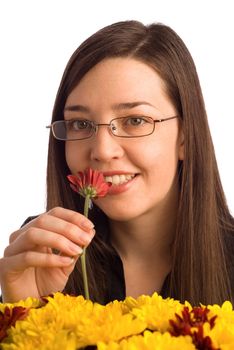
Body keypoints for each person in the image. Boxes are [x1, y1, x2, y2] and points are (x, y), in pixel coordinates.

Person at [0, 20, 234, 306]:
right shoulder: (42, 253)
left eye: (135, 121)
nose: (102, 150)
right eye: (81, 123)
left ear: (185, 136)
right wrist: (20, 310)